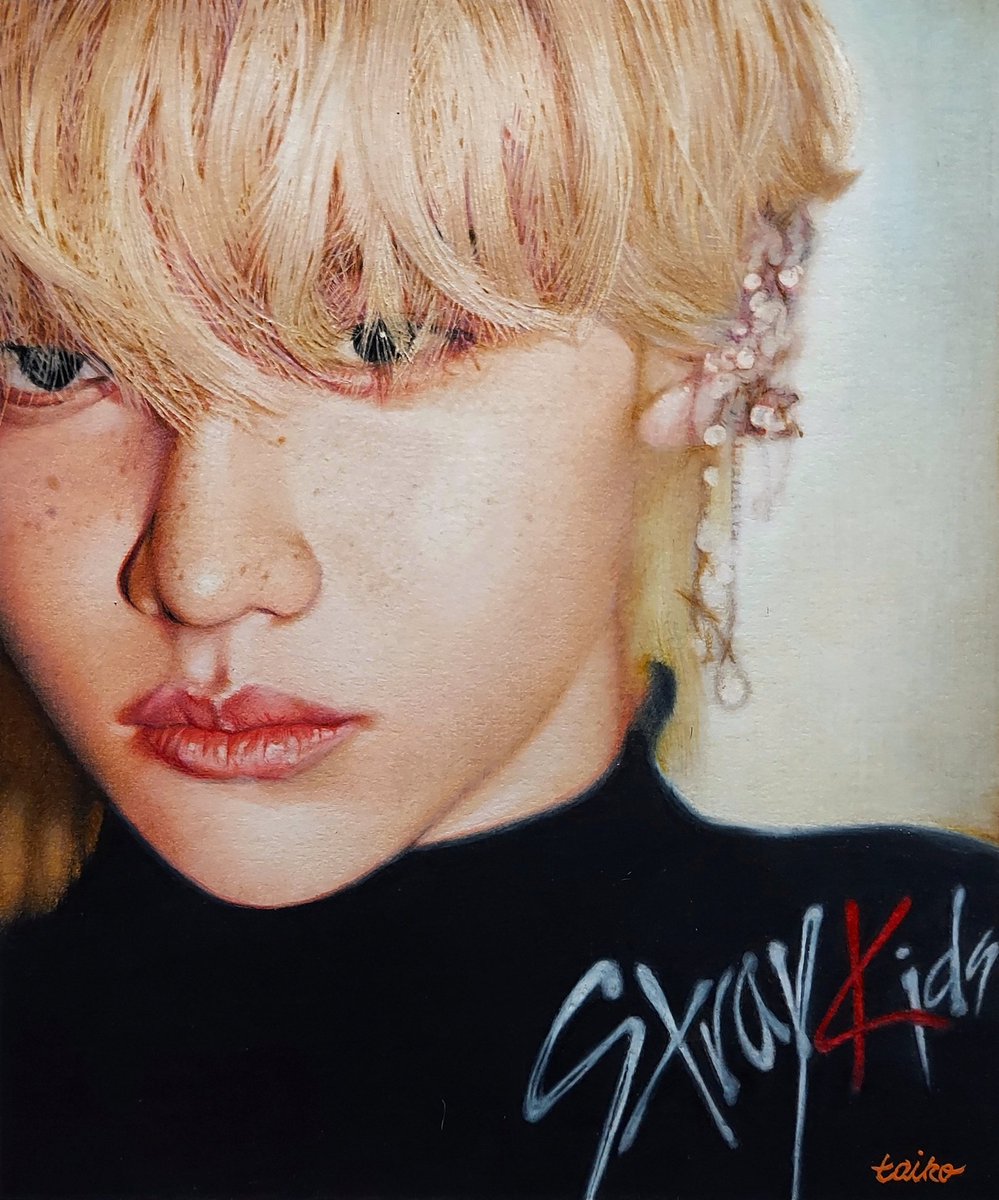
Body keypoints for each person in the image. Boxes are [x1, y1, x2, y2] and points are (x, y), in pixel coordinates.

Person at [0, 3, 996, 1198]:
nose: (204, 574)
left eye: (382, 337)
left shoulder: (940, 1005)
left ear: (713, 333)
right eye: (49, 363)